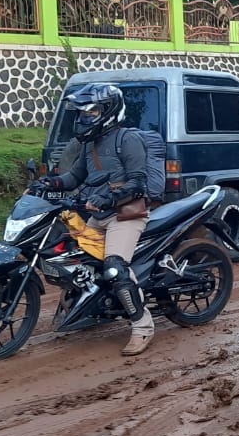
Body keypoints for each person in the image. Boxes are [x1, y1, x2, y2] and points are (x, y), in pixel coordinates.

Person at [29, 83, 156, 356]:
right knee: (77, 261)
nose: (84, 118)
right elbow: (73, 178)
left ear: (108, 111)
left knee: (113, 268)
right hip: (98, 215)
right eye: (83, 113)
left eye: (91, 112)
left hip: (126, 215)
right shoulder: (90, 144)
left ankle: (142, 324)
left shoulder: (128, 139)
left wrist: (109, 199)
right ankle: (88, 308)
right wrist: (49, 183)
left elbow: (137, 182)